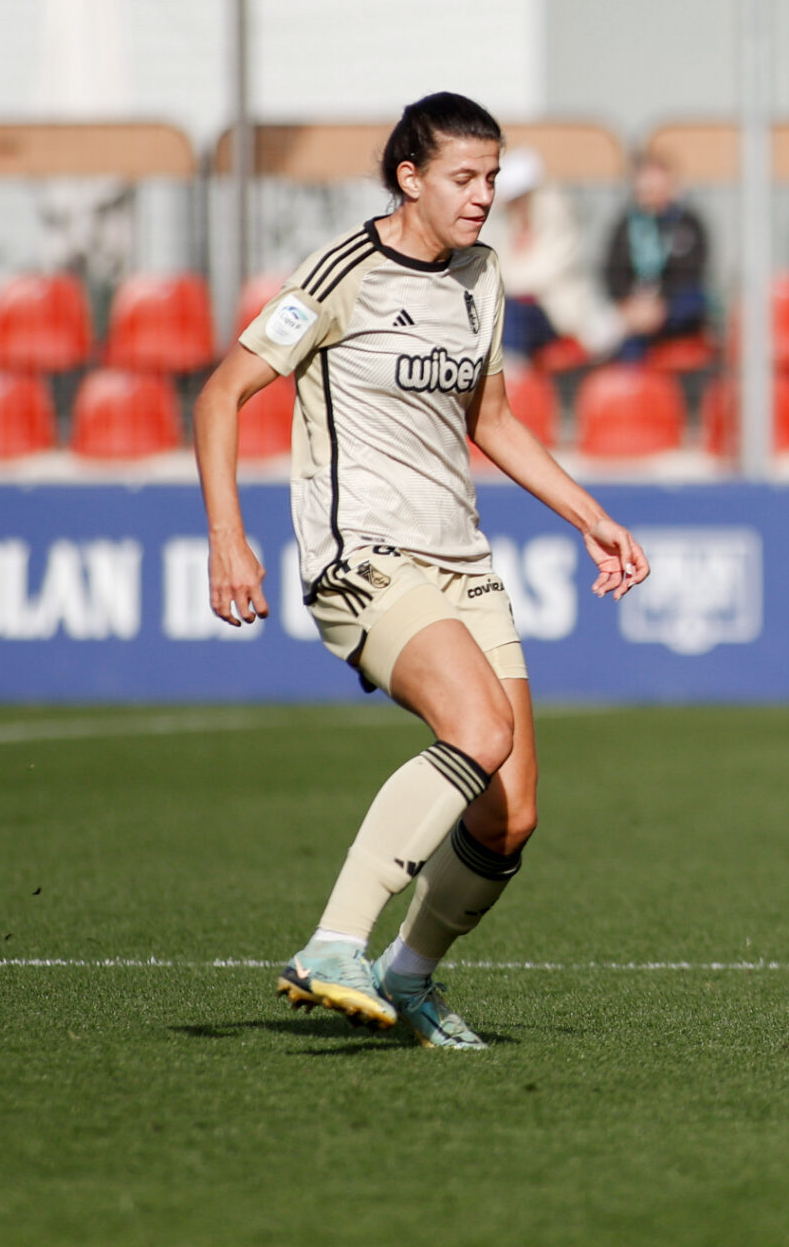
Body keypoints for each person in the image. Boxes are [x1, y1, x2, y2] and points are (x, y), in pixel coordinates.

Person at [193, 92, 649, 1050]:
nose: (484, 196)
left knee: (512, 814)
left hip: (463, 560)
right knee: (477, 726)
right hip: (362, 558)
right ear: (410, 178)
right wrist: (228, 537)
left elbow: (492, 420)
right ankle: (332, 943)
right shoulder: (341, 271)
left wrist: (590, 518)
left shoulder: (484, 275)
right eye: (464, 178)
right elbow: (221, 394)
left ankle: (406, 978)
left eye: (491, 177)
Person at [498, 145, 624, 363]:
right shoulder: (509, 226)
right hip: (520, 313)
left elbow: (541, 275)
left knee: (512, 315)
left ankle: (513, 380)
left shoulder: (558, 220)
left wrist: (507, 281)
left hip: (557, 316)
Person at [601, 151, 709, 361]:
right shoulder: (626, 225)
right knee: (627, 345)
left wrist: (660, 306)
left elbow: (692, 271)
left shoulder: (687, 223)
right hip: (636, 310)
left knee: (692, 301)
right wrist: (630, 305)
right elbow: (612, 273)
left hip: (674, 307)